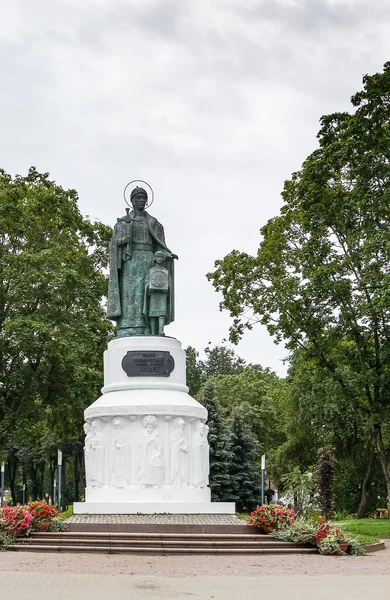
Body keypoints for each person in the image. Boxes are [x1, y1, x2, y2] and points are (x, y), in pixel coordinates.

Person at [107, 187, 177, 336]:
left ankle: (149, 328)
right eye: (138, 198)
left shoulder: (154, 224)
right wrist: (121, 241)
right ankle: (128, 328)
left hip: (149, 263)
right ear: (132, 201)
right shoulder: (122, 223)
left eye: (143, 198)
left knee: (148, 294)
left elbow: (159, 246)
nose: (141, 201)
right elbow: (113, 244)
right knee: (131, 295)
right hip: (130, 262)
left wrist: (167, 255)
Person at [144, 251, 172, 336]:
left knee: (162, 313)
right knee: (153, 313)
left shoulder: (166, 271)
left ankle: (160, 331)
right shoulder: (151, 271)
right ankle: (153, 331)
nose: (159, 259)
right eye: (157, 257)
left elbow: (169, 282)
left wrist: (167, 287)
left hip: (162, 295)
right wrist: (149, 286)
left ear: (163, 259)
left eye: (161, 257)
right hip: (153, 294)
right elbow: (146, 281)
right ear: (155, 259)